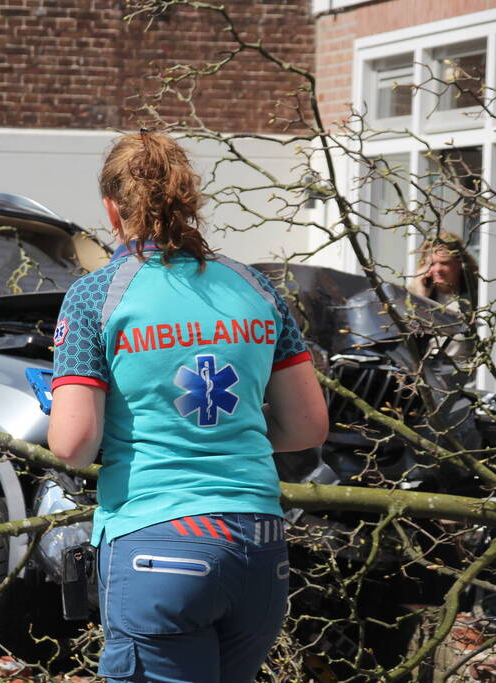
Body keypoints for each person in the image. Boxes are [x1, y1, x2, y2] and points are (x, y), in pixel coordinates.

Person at [47, 131, 329, 683]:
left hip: (158, 545)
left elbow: (73, 444)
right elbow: (307, 425)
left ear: (111, 209)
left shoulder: (96, 295)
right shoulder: (258, 289)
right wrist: (228, 432)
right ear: (189, 199)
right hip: (258, 546)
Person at [408, 232, 478, 368]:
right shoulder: (418, 297)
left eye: (445, 263)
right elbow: (407, 341)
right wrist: (420, 296)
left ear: (459, 264)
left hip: (461, 376)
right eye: (432, 264)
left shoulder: (474, 299)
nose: (438, 269)